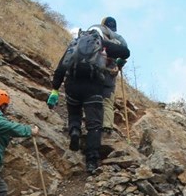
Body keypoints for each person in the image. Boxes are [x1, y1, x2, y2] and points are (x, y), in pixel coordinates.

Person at [49, 26, 128, 174]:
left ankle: (74, 131)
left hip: (72, 85)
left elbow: (61, 68)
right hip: (93, 87)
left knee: (74, 113)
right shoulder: (103, 45)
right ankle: (91, 161)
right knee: (94, 125)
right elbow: (126, 52)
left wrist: (54, 89)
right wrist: (118, 59)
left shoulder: (74, 44)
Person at [87, 17, 130, 134]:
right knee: (107, 100)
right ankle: (107, 126)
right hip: (110, 72)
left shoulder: (98, 32)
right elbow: (125, 53)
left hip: (96, 70)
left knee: (93, 97)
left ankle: (91, 122)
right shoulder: (119, 39)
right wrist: (119, 66)